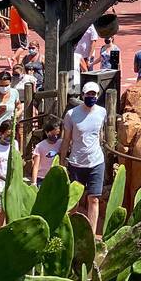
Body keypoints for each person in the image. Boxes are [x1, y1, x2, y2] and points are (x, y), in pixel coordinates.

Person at [61, 81, 107, 233]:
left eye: (93, 94)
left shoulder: (102, 112)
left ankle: (91, 235)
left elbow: (100, 134)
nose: (91, 96)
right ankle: (71, 231)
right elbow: (66, 139)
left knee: (93, 199)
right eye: (88, 94)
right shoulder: (71, 114)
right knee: (74, 200)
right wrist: (62, 161)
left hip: (96, 161)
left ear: (97, 95)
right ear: (83, 95)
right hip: (76, 163)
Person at [31, 117, 62, 183]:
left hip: (56, 178)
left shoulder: (61, 143)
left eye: (57, 134)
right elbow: (36, 166)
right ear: (46, 132)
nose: (55, 137)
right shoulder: (40, 146)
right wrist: (34, 182)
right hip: (42, 178)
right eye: (53, 134)